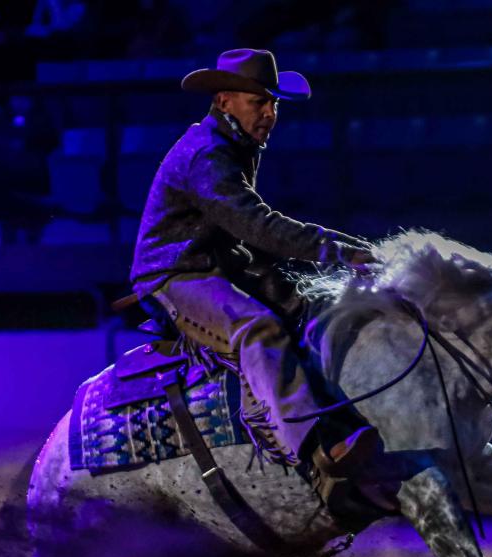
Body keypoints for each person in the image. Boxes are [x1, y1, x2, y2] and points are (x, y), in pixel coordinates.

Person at [130, 48, 381, 489]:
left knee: (307, 309)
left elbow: (246, 230)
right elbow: (257, 225)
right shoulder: (207, 154)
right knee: (257, 328)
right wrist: (341, 250)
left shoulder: (235, 143)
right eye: (259, 102)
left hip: (215, 265)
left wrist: (343, 251)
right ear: (224, 101)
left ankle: (334, 418)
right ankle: (311, 451)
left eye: (274, 104)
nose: (269, 113)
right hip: (174, 276)